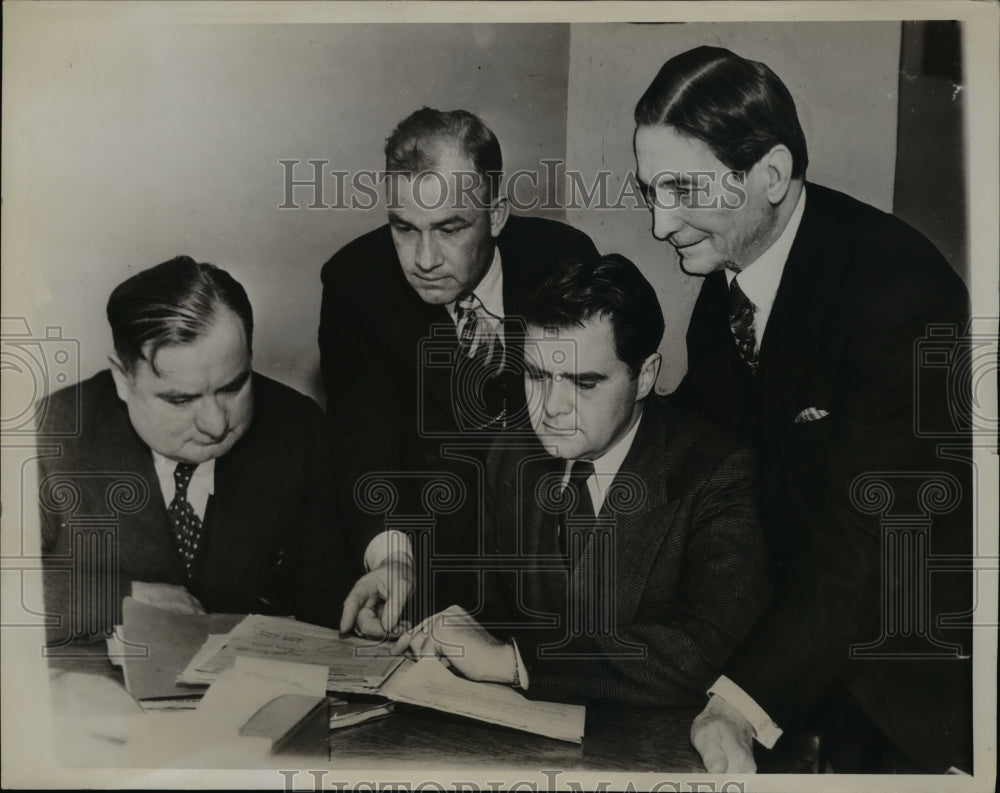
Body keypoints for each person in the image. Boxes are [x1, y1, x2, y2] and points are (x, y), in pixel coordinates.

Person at [633, 46, 972, 772]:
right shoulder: (729, 279)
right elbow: (706, 446)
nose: (661, 224)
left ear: (772, 174)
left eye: (683, 189)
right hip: (789, 645)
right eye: (650, 191)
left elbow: (867, 544)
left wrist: (738, 704)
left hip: (895, 689)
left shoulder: (902, 294)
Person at [392, 254, 771, 705]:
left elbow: (706, 650)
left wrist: (514, 662)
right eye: (536, 375)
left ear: (645, 376)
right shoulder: (509, 455)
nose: (552, 408)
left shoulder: (719, 471)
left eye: (584, 383)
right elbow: (488, 611)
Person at [323, 108, 598, 637]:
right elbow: (362, 439)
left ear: (497, 214)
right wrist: (393, 559)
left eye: (450, 228)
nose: (424, 259)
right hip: (426, 571)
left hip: (554, 562)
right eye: (404, 228)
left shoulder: (565, 259)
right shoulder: (355, 284)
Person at [38, 256, 357, 644]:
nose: (216, 424)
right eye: (181, 400)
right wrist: (122, 597)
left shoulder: (297, 429)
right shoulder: (51, 431)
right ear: (123, 379)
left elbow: (329, 604)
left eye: (233, 387)